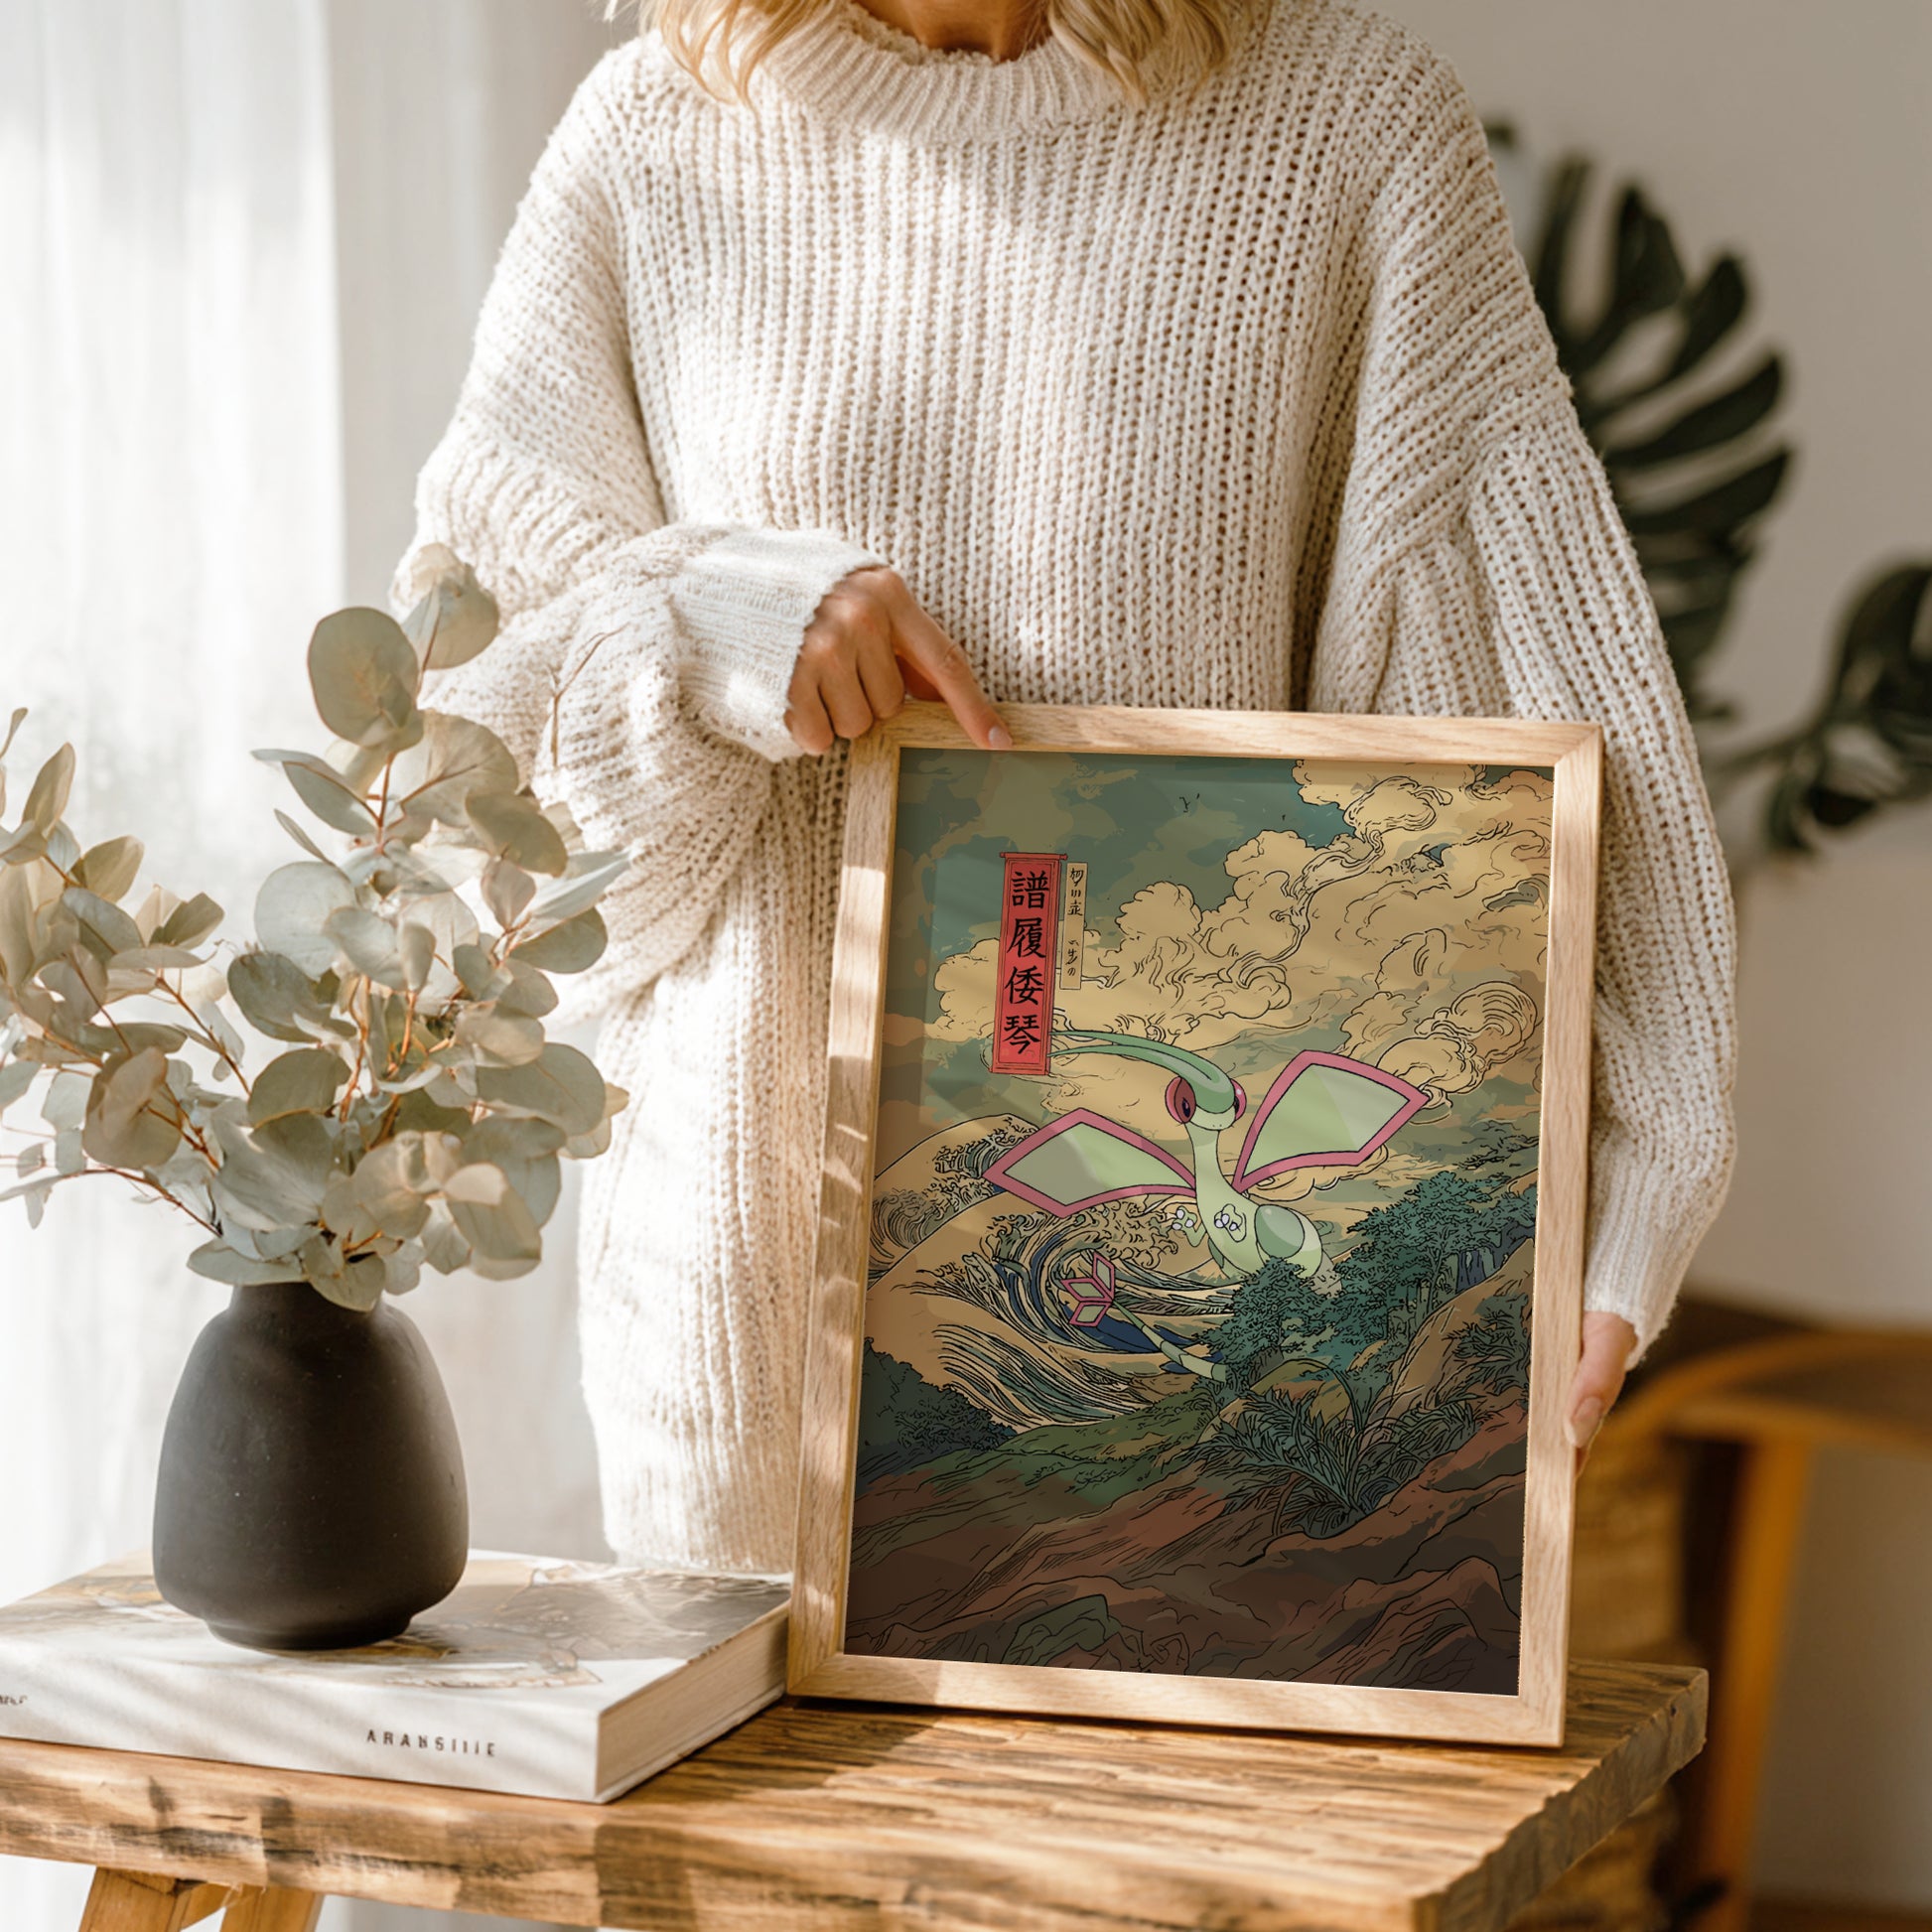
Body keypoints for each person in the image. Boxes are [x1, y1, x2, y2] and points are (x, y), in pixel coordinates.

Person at [392, 0, 1736, 1577]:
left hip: (1219, 1417)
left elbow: (1513, 716)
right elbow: (467, 819)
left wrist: (1629, 1171)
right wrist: (705, 621)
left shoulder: (1343, 126)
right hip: (734, 1342)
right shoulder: (651, 139)